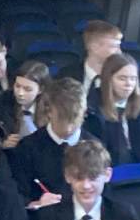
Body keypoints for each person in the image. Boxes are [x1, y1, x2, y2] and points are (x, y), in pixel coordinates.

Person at [8, 77, 87, 205]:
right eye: (62, 117)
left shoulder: (94, 147)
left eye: (74, 118)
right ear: (49, 111)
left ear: (84, 112)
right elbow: (18, 198)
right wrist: (37, 204)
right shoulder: (27, 148)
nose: (68, 127)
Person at [86, 52, 140, 165]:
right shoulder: (93, 109)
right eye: (122, 78)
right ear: (108, 79)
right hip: (106, 170)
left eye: (133, 79)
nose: (128, 84)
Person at [0, 59, 49, 150]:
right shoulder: (0, 105)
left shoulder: (52, 107)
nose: (20, 93)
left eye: (27, 89)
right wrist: (2, 144)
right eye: (17, 86)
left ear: (40, 90)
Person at [59, 20, 123, 103]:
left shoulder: (122, 78)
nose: (119, 52)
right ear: (94, 47)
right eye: (114, 46)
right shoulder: (66, 75)